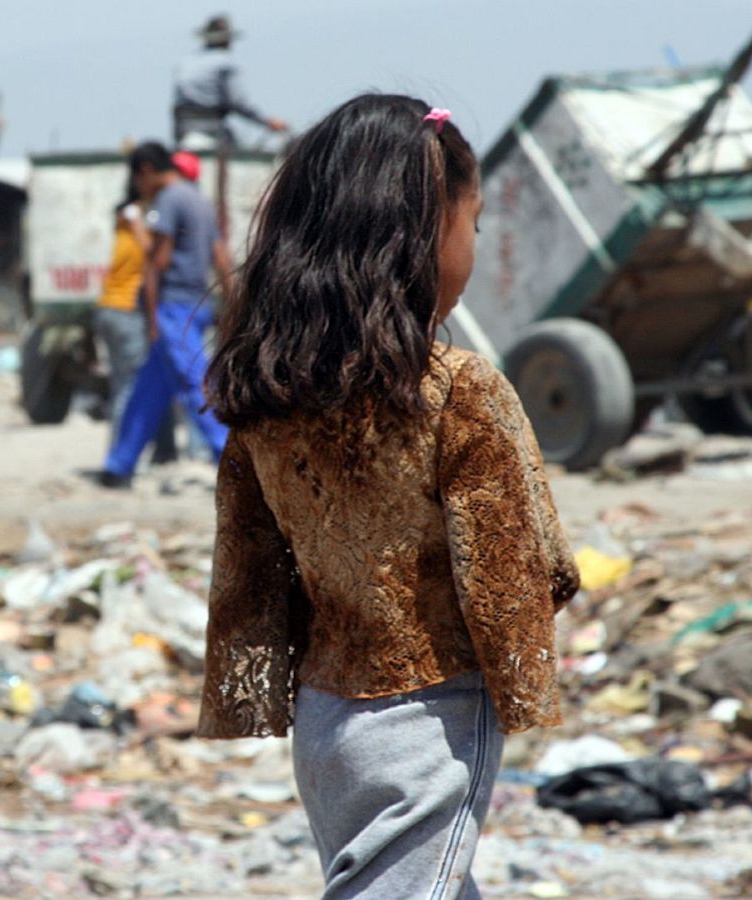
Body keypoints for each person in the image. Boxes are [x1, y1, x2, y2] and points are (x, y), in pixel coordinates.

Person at [196, 95, 577, 898]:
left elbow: (247, 572)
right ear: (424, 235)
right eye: (473, 225)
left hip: (325, 722)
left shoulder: (266, 400)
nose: (474, 248)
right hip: (434, 715)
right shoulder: (459, 392)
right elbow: (522, 570)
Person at [97, 143, 232, 488]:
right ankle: (119, 465)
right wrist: (233, 300)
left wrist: (153, 317)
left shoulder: (168, 200)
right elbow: (221, 256)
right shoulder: (200, 201)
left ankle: (229, 457)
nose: (138, 187)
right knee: (149, 388)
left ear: (145, 170)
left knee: (194, 383)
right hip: (196, 303)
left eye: (136, 179)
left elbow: (157, 262)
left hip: (173, 307)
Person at [92, 181, 178, 463]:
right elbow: (155, 254)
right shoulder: (139, 224)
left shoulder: (126, 224)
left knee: (137, 384)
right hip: (126, 311)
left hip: (110, 309)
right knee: (131, 389)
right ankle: (118, 459)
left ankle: (162, 451)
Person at [173, 14, 288, 151]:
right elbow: (238, 102)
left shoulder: (186, 62)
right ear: (227, 40)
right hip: (211, 131)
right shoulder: (225, 63)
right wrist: (267, 121)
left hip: (182, 131)